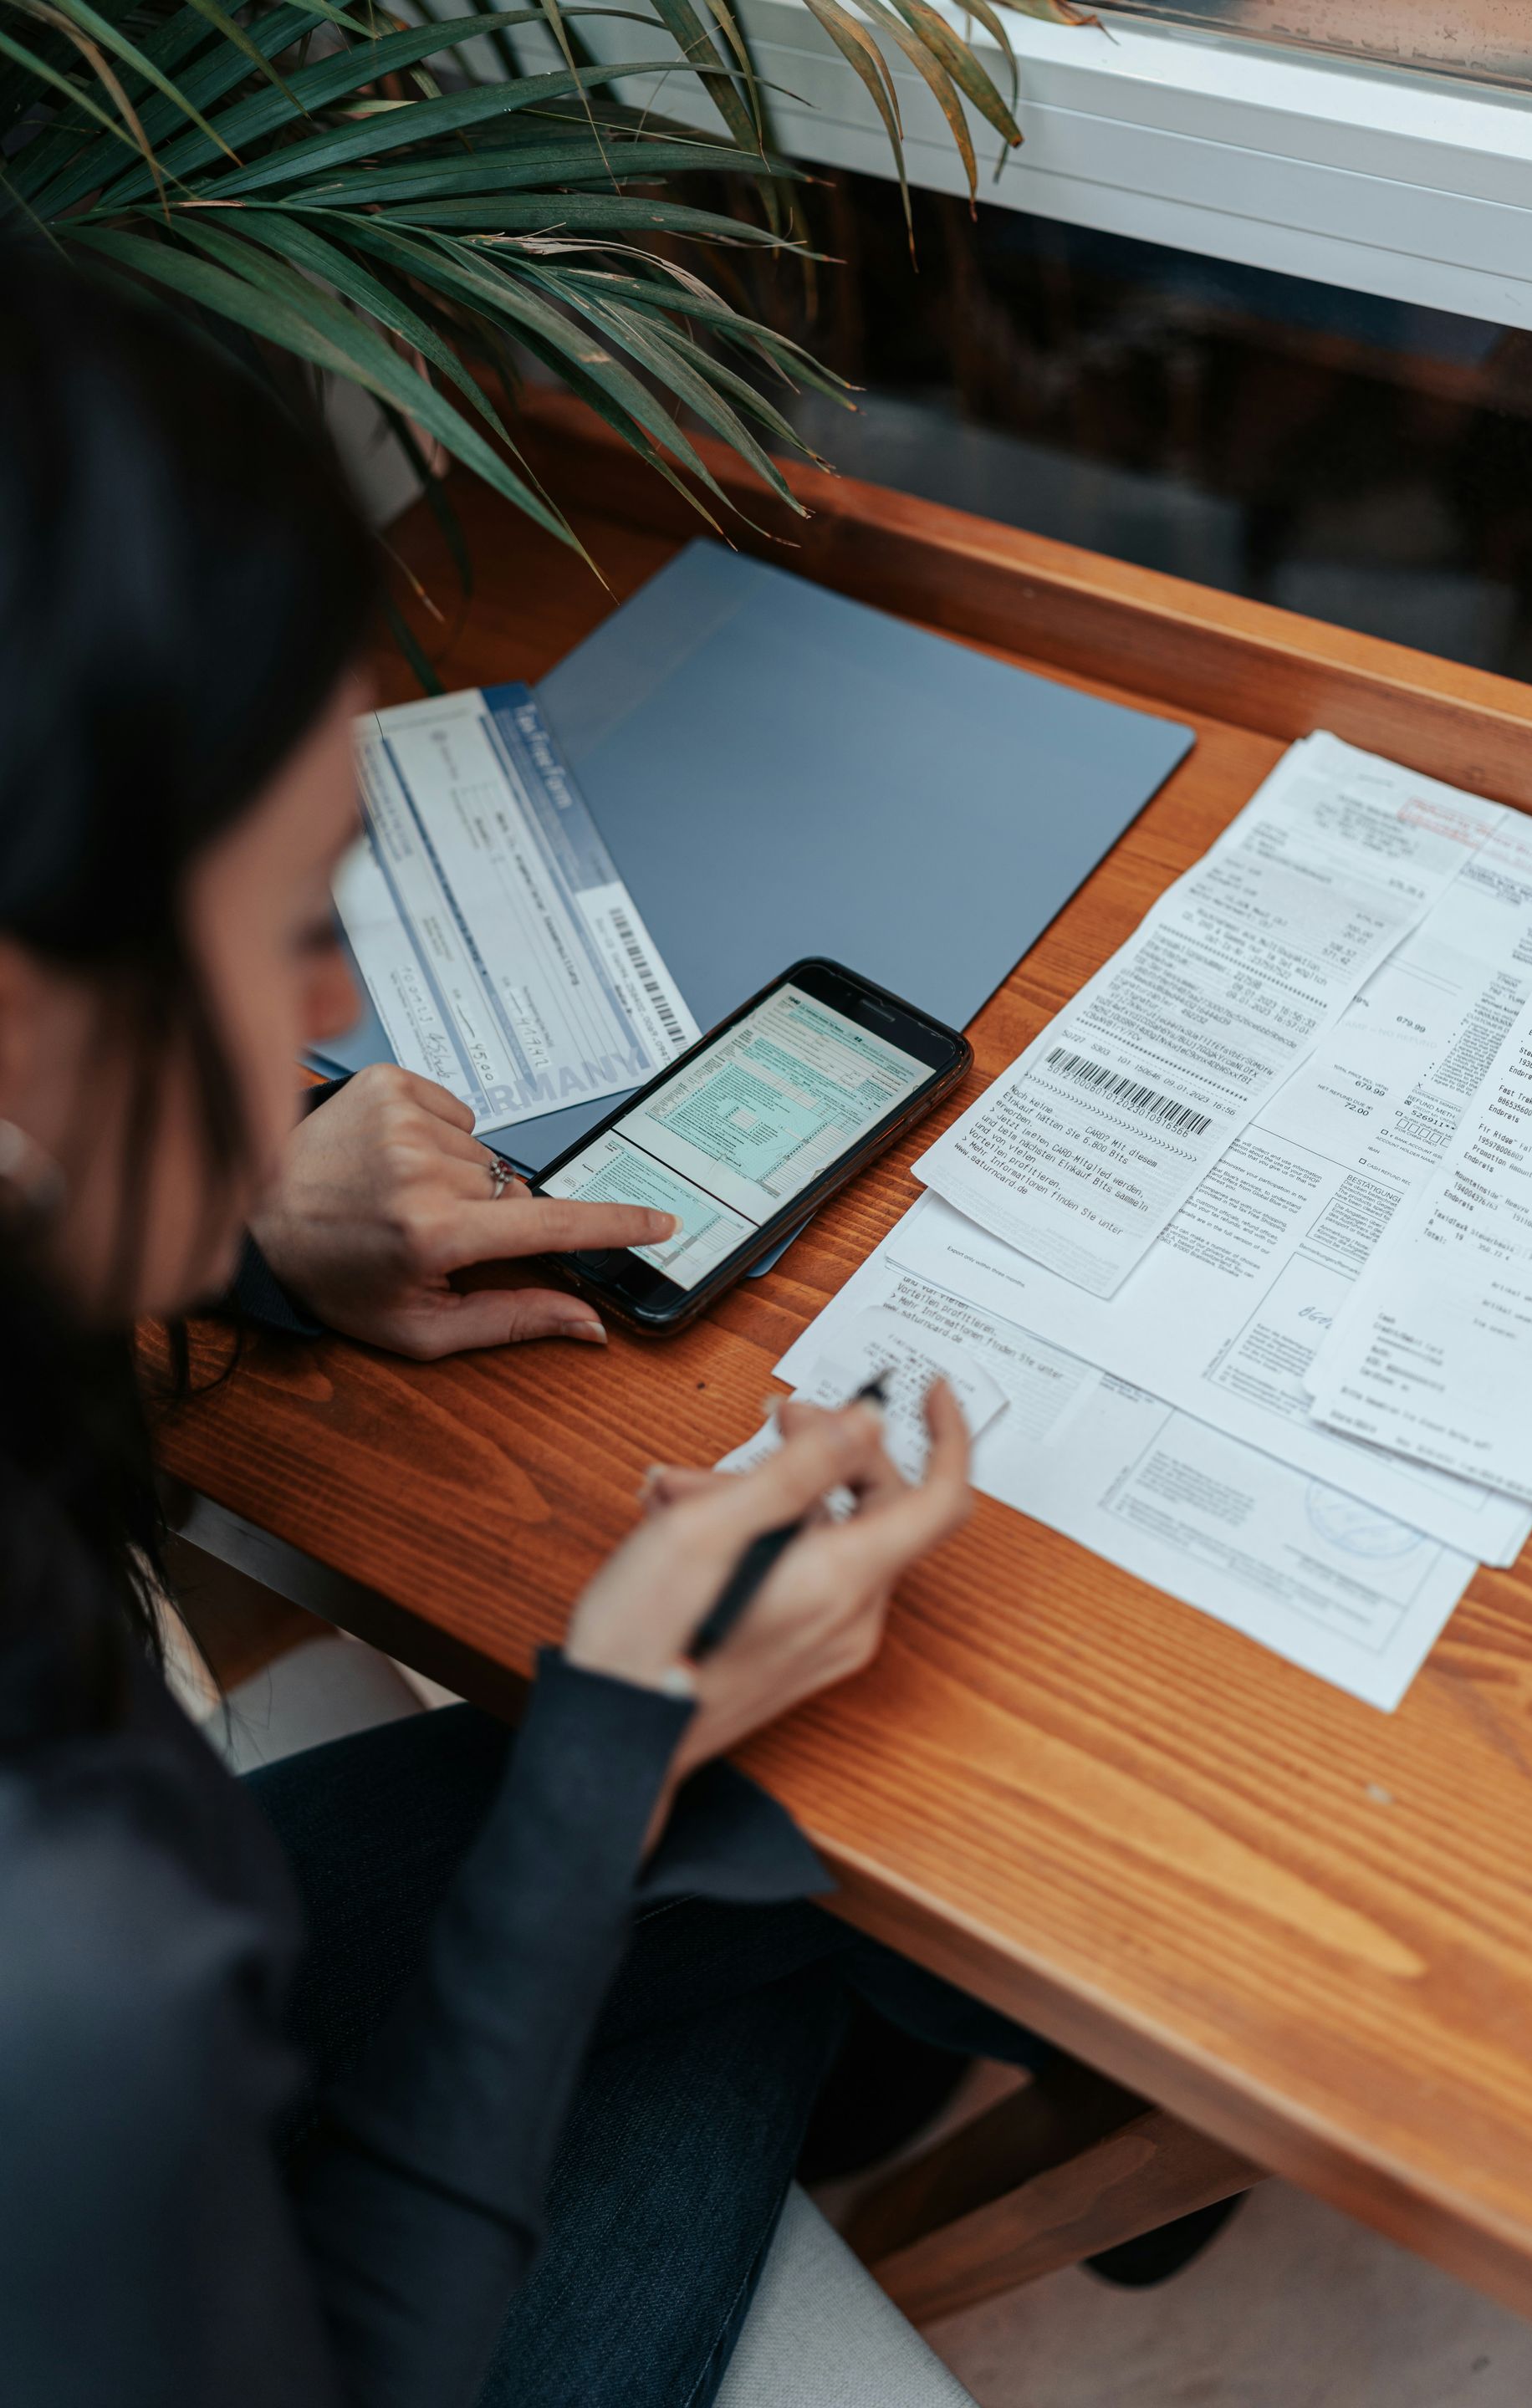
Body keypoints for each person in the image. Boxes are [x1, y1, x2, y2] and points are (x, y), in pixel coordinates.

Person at [0, 247, 1060, 2408]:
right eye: (302, 924)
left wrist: (258, 1229)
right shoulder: (76, 1983)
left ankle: (880, 2059)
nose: (329, 1023)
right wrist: (618, 1742)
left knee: (801, 1865)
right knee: (818, 1863)